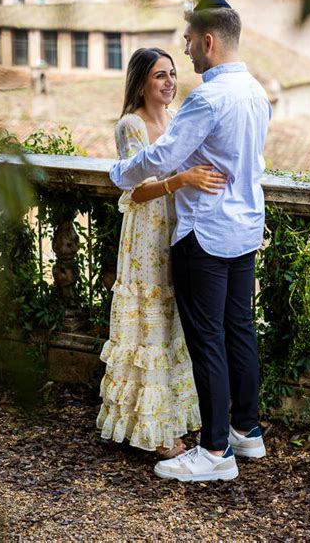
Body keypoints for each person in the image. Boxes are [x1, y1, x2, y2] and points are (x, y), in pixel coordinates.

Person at [110, 0, 271, 482]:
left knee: (207, 340)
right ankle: (247, 431)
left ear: (208, 41)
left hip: (203, 234)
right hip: (244, 229)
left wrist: (120, 172)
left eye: (188, 41)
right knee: (239, 330)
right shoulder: (257, 92)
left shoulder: (207, 98)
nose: (185, 51)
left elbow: (161, 157)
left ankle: (215, 452)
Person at [97, 47, 227, 459]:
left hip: (177, 228)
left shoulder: (175, 121)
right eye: (159, 75)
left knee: (174, 325)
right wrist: (182, 179)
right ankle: (152, 432)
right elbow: (135, 188)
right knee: (148, 327)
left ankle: (169, 418)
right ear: (141, 82)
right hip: (146, 235)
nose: (170, 81)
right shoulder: (130, 126)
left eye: (172, 73)